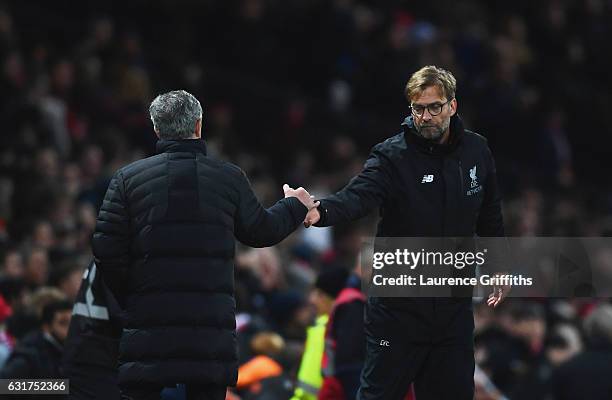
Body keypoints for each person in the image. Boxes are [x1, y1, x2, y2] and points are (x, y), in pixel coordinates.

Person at [91, 90, 318, 400]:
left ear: (157, 129)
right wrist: (293, 205)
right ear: (198, 126)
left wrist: (134, 294)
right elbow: (261, 232)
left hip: (148, 325)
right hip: (209, 332)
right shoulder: (229, 178)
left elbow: (105, 249)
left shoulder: (127, 180)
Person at [304, 66, 507, 400]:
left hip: (452, 311)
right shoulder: (392, 156)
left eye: (434, 107)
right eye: (418, 108)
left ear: (452, 106)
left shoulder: (477, 151)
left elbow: (489, 213)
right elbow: (358, 196)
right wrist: (321, 210)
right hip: (398, 311)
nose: (425, 116)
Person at [0, 299, 72, 380]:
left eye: (73, 323)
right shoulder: (30, 354)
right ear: (46, 327)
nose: (70, 329)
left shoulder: (70, 350)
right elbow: (4, 385)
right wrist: (56, 387)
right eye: (63, 323)